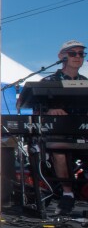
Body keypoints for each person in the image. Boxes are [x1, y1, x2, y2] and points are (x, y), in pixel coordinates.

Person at [40, 39, 86, 215]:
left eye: (81, 54)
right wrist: (50, 109)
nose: (77, 57)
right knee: (59, 149)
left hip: (82, 133)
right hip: (58, 136)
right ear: (62, 57)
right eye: (73, 53)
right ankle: (68, 193)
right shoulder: (48, 81)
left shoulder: (85, 82)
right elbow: (35, 107)